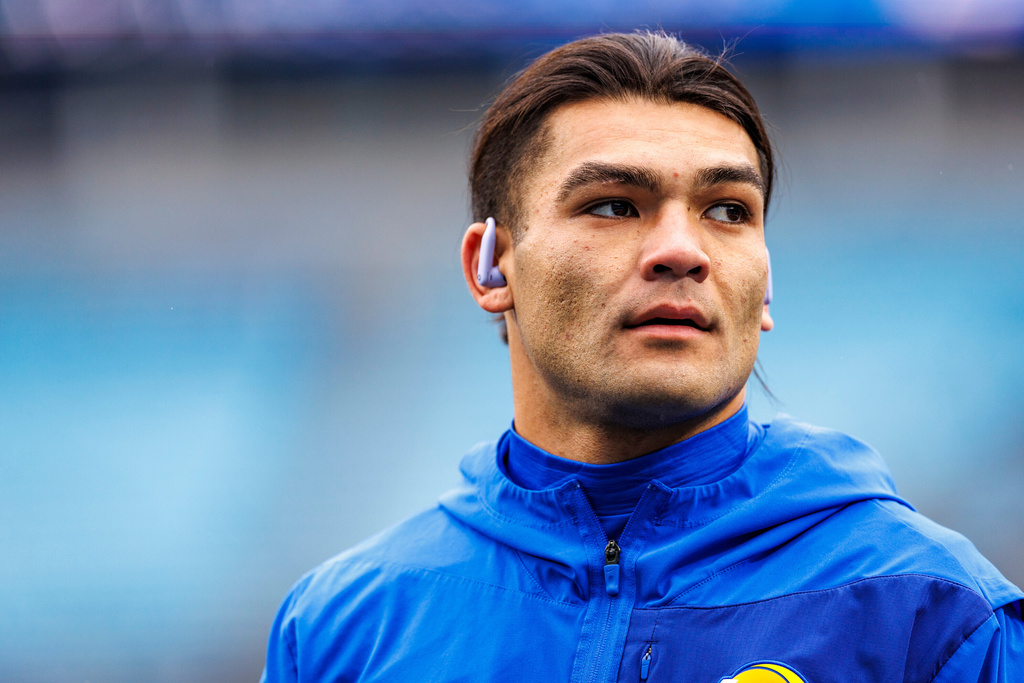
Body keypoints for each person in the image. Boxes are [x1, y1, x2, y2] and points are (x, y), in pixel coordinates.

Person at [261, 31, 1023, 682]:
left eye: (728, 210)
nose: (682, 251)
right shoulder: (344, 629)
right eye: (613, 205)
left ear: (763, 290)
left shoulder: (931, 613)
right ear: (491, 268)